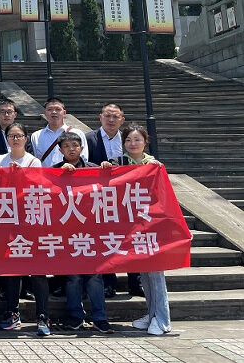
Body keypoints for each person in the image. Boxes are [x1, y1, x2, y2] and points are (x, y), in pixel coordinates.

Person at [0, 122, 52, 337]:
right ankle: (12, 313)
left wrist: (22, 175)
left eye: (19, 135)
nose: (15, 139)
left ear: (26, 139)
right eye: (11, 136)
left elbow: (38, 187)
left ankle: (43, 316)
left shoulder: (33, 161)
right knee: (12, 270)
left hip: (30, 219)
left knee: (37, 271)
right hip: (8, 219)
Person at [54, 132, 114, 334]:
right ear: (60, 150)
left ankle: (100, 318)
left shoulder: (93, 169)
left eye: (75, 145)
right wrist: (60, 174)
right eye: (66, 146)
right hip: (68, 232)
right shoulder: (54, 171)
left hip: (92, 231)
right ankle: (75, 316)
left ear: (81, 148)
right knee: (73, 277)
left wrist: (106, 169)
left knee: (95, 276)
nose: (71, 149)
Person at [85, 103, 138, 297]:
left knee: (131, 238)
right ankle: (108, 282)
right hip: (98, 197)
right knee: (105, 240)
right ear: (100, 117)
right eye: (107, 115)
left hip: (125, 196)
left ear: (122, 120)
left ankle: (135, 282)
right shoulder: (89, 138)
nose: (111, 120)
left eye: (115, 116)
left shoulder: (128, 139)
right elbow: (83, 164)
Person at [123, 124, 172, 336]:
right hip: (132, 226)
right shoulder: (119, 163)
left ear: (145, 141)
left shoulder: (155, 166)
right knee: (145, 273)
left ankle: (163, 320)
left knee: (156, 273)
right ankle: (152, 313)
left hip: (153, 224)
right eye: (128, 140)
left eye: (137, 139)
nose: (133, 144)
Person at [30, 97, 87, 168]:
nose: (54, 112)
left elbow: (84, 159)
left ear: (64, 113)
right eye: (50, 109)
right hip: (46, 174)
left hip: (71, 173)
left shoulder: (77, 133)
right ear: (44, 113)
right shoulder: (36, 136)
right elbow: (35, 161)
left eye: (58, 109)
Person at [0, 99, 32, 167]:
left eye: (9, 111)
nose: (6, 115)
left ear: (15, 114)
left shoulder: (24, 138)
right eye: (2, 112)